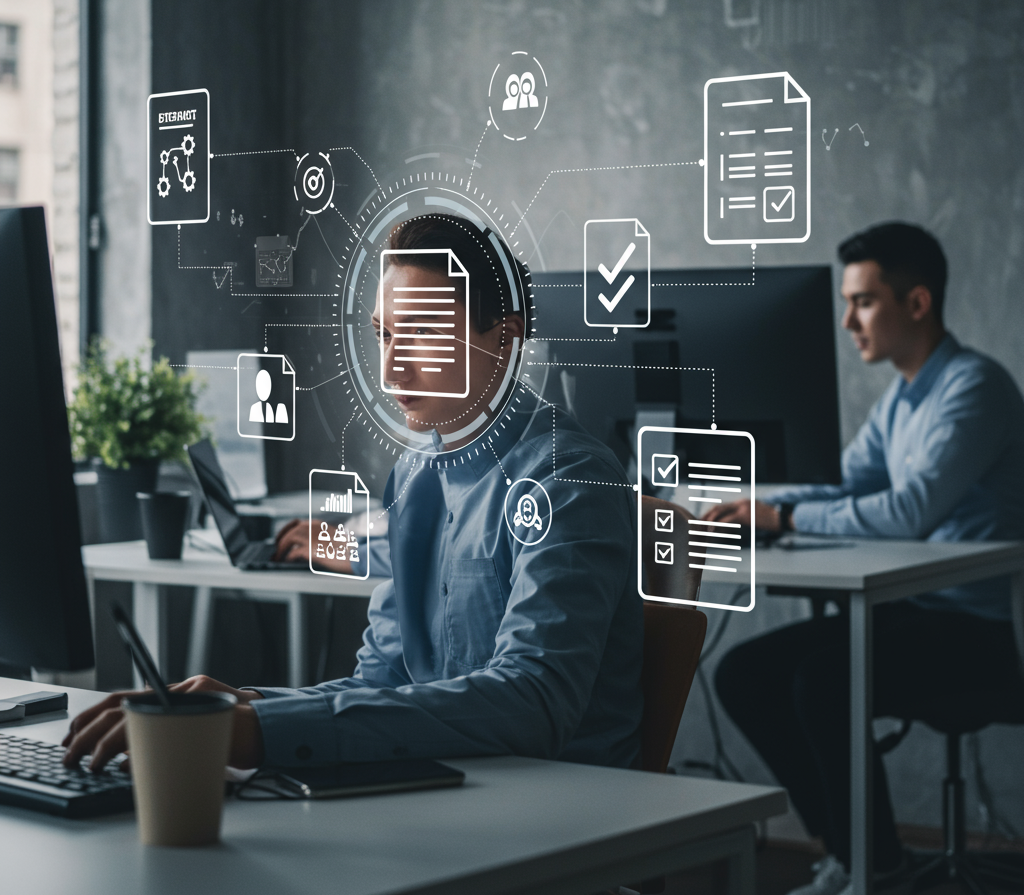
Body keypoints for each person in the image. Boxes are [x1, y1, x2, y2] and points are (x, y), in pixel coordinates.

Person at [63, 212, 643, 774]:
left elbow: (533, 704)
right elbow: (379, 683)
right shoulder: (417, 474)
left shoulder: (567, 478)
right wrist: (247, 706)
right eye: (384, 334)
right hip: (453, 789)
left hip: (562, 813)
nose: (392, 370)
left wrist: (261, 730)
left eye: (421, 330)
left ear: (506, 337)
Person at [708, 222, 1024, 895]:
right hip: (916, 615)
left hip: (981, 634)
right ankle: (859, 855)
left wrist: (782, 516)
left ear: (917, 303)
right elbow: (845, 483)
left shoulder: (976, 388)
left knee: (821, 683)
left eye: (864, 302)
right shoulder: (903, 399)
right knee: (743, 673)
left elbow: (910, 511)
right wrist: (745, 500)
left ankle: (875, 867)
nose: (848, 321)